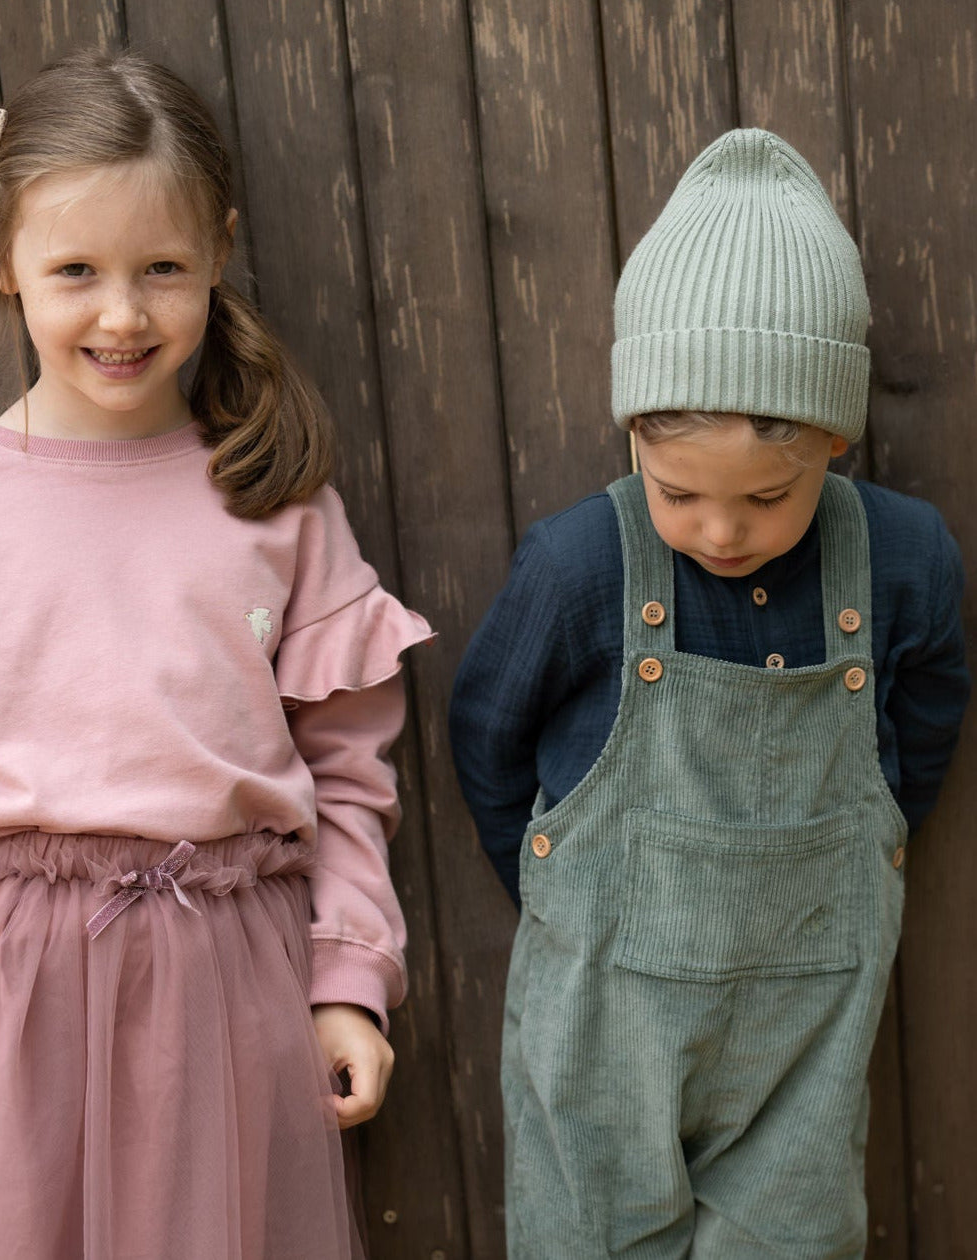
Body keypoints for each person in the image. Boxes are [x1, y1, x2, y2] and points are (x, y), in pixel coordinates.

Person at [0, 47, 431, 1260]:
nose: (122, 313)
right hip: (0, 1011)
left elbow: (348, 776)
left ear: (219, 254)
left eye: (162, 270)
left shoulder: (277, 505)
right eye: (76, 269)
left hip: (222, 1004)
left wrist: (346, 979)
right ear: (0, 260)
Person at [449, 129, 968, 1258]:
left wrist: (866, 823)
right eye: (680, 494)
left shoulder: (904, 560)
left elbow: (927, 716)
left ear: (835, 439)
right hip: (603, 1022)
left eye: (768, 499)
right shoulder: (582, 567)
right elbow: (488, 736)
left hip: (806, 1032)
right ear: (634, 429)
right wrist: (559, 877)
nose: (722, 532)